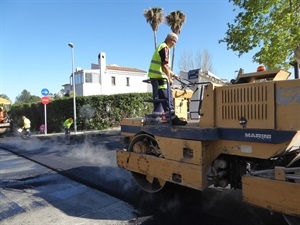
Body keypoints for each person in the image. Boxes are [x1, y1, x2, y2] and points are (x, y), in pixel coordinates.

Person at [148, 32, 187, 125]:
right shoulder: (165, 48)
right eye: (174, 41)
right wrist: (170, 78)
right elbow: (164, 65)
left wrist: (173, 74)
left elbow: (165, 67)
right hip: (160, 78)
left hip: (155, 78)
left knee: (159, 100)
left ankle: (156, 119)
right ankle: (172, 119)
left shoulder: (161, 46)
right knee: (167, 98)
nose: (175, 44)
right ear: (170, 39)